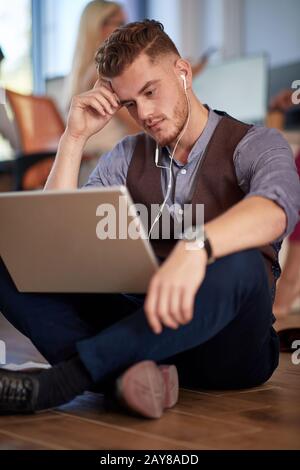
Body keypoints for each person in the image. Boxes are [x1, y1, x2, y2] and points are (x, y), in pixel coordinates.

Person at [0, 20, 299, 419]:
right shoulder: (126, 155)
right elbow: (56, 244)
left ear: (183, 71)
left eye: (150, 92)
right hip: (145, 326)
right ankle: (129, 378)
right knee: (13, 258)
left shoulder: (255, 144)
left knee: (240, 261)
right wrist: (74, 138)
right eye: (130, 104)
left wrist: (196, 248)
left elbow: (276, 209)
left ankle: (68, 380)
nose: (144, 113)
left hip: (230, 349)